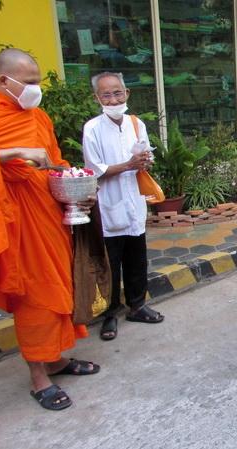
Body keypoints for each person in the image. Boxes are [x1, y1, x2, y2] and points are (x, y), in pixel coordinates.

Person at [0, 48, 100, 411]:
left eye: (38, 81)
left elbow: (53, 162)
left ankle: (57, 360)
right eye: (28, 82)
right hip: (17, 223)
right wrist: (10, 153)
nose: (35, 88)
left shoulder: (37, 116)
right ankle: (39, 377)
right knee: (34, 299)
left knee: (60, 289)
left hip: (48, 216)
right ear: (3, 81)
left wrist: (76, 190)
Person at [82, 72, 164, 341]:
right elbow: (94, 170)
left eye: (117, 93)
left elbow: (146, 155)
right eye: (107, 94)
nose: (113, 98)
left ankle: (137, 305)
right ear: (97, 98)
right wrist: (129, 165)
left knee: (136, 258)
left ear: (127, 93)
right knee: (110, 265)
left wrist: (144, 161)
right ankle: (109, 315)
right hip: (109, 205)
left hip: (133, 202)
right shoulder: (92, 128)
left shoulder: (136, 123)